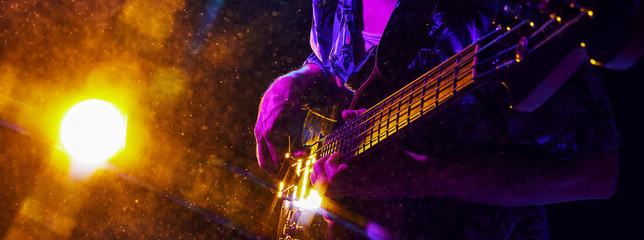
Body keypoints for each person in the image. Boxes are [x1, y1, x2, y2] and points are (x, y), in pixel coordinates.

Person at [255, 0, 619, 239]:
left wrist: (419, 177)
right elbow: (333, 62)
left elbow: (598, 174)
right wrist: (292, 83)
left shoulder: (500, 9)